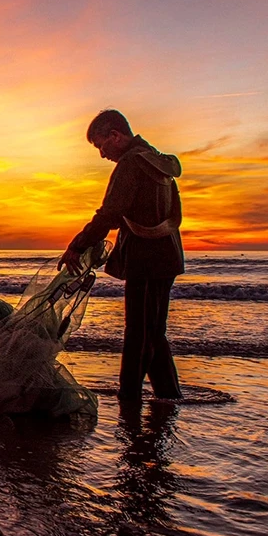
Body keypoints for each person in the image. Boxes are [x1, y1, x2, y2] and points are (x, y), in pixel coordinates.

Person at [58, 109, 184, 401]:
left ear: (116, 135)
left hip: (146, 258)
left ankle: (129, 400)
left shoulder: (131, 163)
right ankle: (169, 395)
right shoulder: (158, 161)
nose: (103, 155)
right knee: (154, 332)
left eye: (102, 145)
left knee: (138, 333)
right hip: (168, 256)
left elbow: (110, 215)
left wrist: (77, 245)